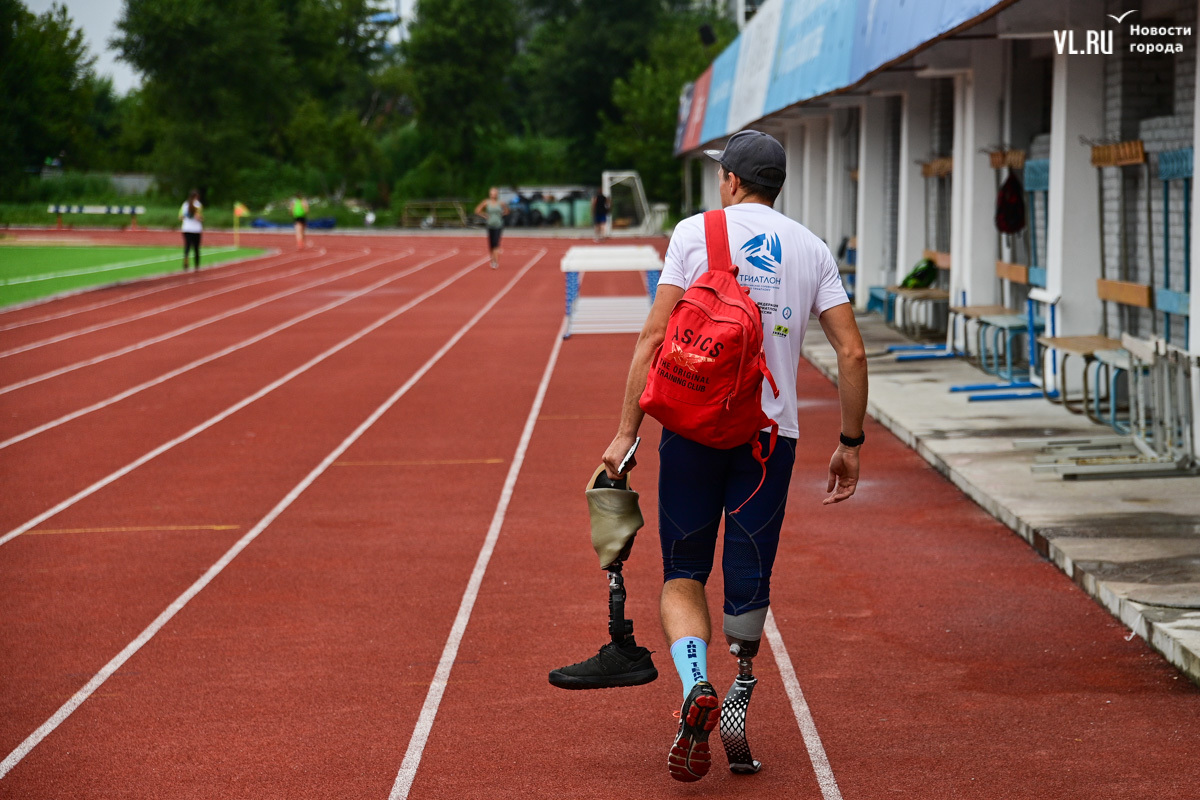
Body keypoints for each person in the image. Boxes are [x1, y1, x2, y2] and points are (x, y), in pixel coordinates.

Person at [600, 130, 868, 782]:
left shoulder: (695, 234)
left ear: (732, 182)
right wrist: (850, 445)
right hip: (768, 441)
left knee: (683, 573)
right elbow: (852, 353)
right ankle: (740, 689)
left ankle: (696, 684)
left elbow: (654, 337)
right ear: (777, 186)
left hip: (692, 430)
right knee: (748, 576)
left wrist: (625, 434)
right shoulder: (811, 249)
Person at [474, 187, 508, 268]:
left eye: (495, 194)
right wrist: (484, 215)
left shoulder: (501, 203)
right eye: (492, 194)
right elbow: (477, 210)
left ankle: (495, 262)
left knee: (496, 243)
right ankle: (492, 259)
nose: (493, 195)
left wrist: (501, 215)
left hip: (498, 225)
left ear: (497, 194)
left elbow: (507, 211)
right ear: (490, 194)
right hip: (490, 225)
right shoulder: (486, 202)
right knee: (491, 244)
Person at [179, 189, 203, 271]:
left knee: (187, 246)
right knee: (196, 248)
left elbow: (180, 217)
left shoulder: (185, 204)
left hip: (186, 228)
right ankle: (197, 265)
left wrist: (187, 217)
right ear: (197, 197)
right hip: (196, 229)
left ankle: (186, 263)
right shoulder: (198, 205)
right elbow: (199, 217)